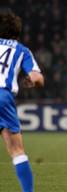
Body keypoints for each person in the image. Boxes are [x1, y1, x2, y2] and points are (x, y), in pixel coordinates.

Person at [0, 10, 44, 192]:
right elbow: (37, 78)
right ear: (17, 32)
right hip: (3, 97)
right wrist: (31, 81)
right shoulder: (21, 50)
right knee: (17, 151)